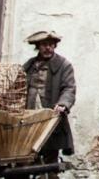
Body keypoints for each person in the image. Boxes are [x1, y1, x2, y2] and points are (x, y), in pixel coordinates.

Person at [22, 30, 76, 161]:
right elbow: (19, 85)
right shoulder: (29, 65)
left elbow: (69, 88)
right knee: (27, 154)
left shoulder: (63, 65)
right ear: (38, 46)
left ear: (55, 46)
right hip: (30, 115)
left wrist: (63, 104)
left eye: (51, 45)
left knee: (50, 153)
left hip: (51, 116)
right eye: (44, 45)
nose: (48, 48)